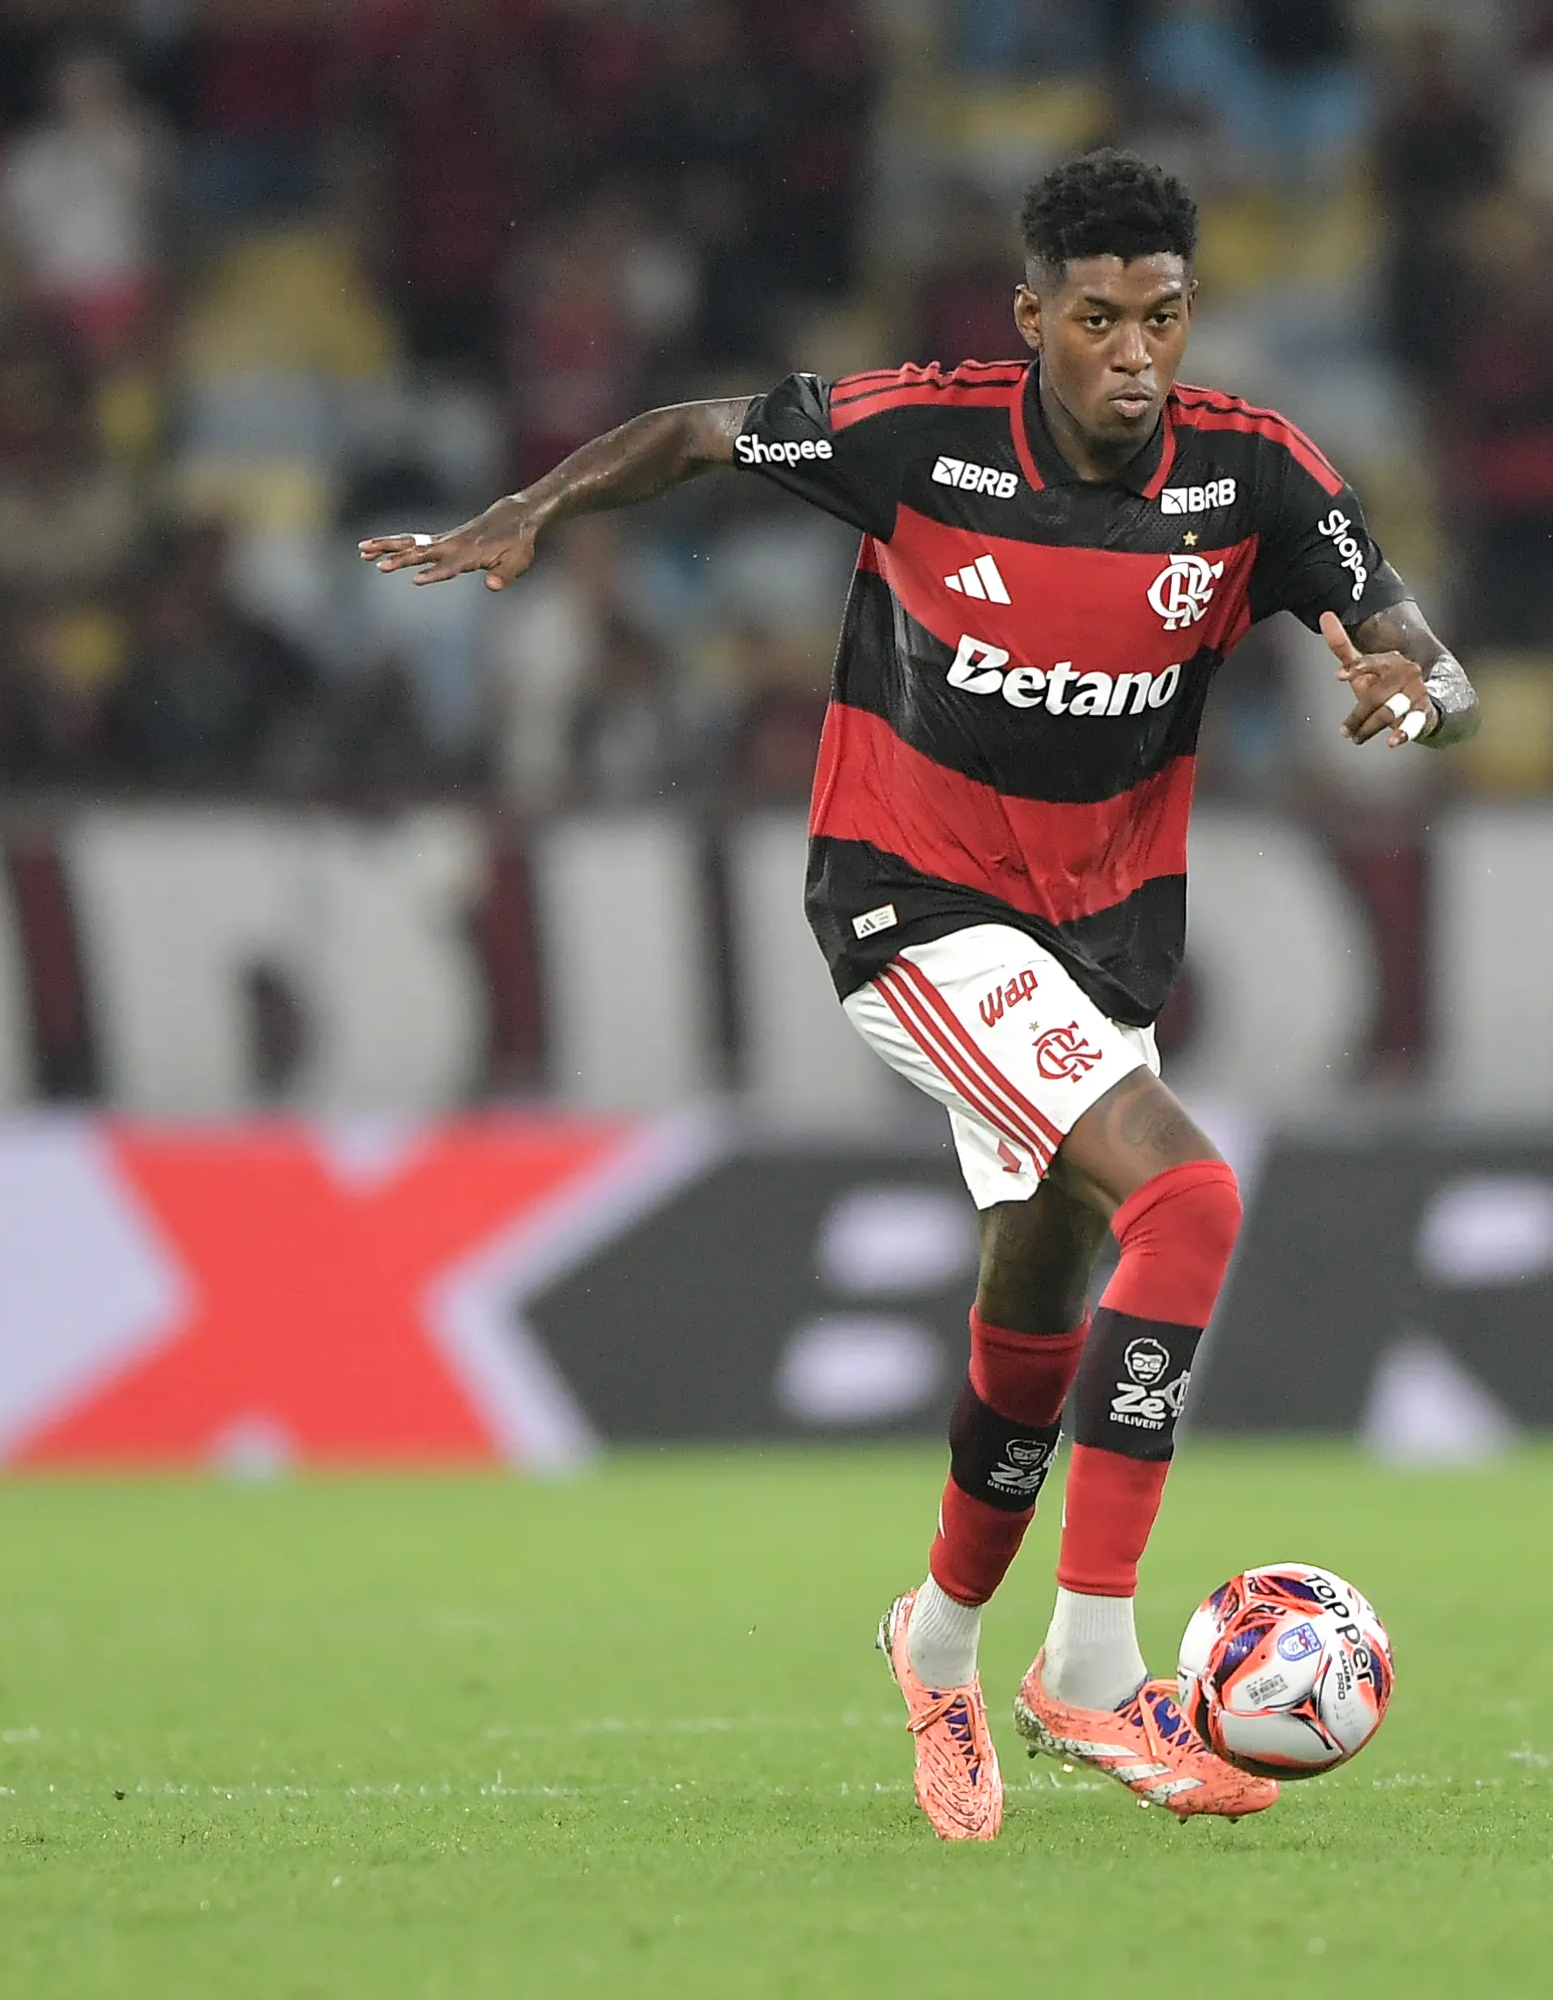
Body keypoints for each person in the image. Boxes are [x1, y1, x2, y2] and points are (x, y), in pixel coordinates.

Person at [362, 149, 1478, 1838]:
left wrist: (1421, 693)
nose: (1132, 351)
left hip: (1100, 943)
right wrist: (535, 507)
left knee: (1036, 1311)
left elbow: (1424, 654)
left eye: (1161, 317)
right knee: (1188, 1199)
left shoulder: (1254, 476)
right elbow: (690, 429)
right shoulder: (920, 430)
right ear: (1031, 317)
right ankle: (1091, 1668)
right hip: (909, 905)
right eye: (1096, 318)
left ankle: (938, 1642)